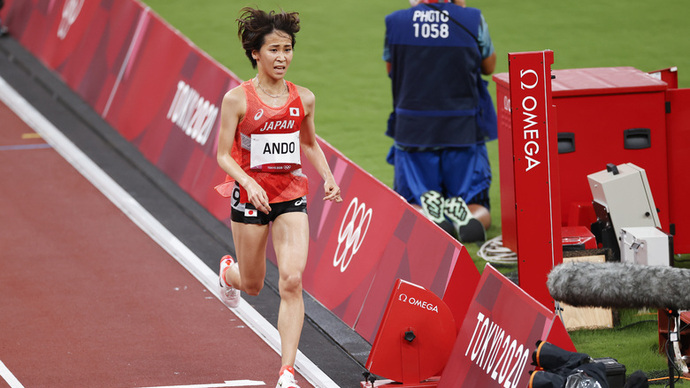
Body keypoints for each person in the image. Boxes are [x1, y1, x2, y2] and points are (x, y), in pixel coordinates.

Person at [214, 7, 342, 388]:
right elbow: (222, 154)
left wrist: (328, 177)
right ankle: (227, 273)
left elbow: (309, 143)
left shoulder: (304, 98)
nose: (282, 57)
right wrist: (248, 183)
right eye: (273, 49)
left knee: (292, 281)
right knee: (253, 284)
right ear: (256, 52)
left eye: (287, 49)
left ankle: (287, 372)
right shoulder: (237, 99)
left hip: (290, 194)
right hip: (250, 196)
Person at [383, 0, 497, 243]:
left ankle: (428, 214)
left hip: (413, 133)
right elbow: (489, 66)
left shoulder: (396, 22)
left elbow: (391, 69)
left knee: (411, 202)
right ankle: (466, 217)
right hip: (463, 131)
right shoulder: (473, 19)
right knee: (476, 202)